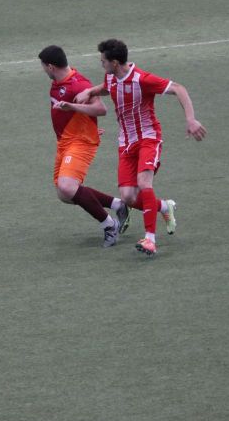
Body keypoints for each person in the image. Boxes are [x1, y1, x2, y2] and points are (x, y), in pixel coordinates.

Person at [75, 39, 207, 257]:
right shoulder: (111, 76)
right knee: (127, 196)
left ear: (114, 63)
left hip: (148, 138)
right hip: (125, 143)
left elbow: (178, 88)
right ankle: (163, 207)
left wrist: (191, 119)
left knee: (144, 183)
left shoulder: (142, 79)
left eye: (103, 61)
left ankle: (150, 240)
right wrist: (90, 91)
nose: (101, 65)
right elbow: (107, 87)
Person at [39, 45, 130, 248]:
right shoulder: (57, 82)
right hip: (65, 142)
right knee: (64, 194)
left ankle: (109, 225)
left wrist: (73, 108)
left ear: (51, 67)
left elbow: (101, 109)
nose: (43, 70)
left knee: (67, 187)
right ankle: (118, 205)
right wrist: (87, 126)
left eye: (43, 67)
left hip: (80, 142)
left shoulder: (79, 85)